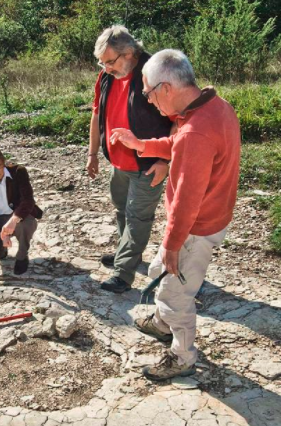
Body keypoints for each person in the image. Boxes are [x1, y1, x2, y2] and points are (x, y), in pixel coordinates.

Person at [110, 49, 240, 380]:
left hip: (196, 227)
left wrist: (172, 243)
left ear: (166, 88)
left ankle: (182, 356)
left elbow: (186, 199)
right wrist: (141, 143)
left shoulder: (196, 130)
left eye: (149, 94)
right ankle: (162, 322)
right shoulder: (214, 107)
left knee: (174, 293)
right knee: (158, 270)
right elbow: (178, 144)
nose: (149, 101)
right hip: (205, 219)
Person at [88, 25, 173, 293]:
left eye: (110, 62)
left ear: (129, 53)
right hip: (118, 163)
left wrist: (165, 160)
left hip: (149, 164)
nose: (106, 68)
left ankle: (123, 274)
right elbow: (96, 114)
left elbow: (179, 120)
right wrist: (92, 153)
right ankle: (127, 253)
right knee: (122, 210)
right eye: (102, 63)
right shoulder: (106, 76)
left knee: (138, 218)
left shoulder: (155, 73)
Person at [0, 143, 42, 275]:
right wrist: (1, 234)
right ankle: (1, 250)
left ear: (3, 161)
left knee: (27, 224)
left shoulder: (18, 172)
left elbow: (28, 200)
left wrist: (14, 219)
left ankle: (22, 256)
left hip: (19, 215)